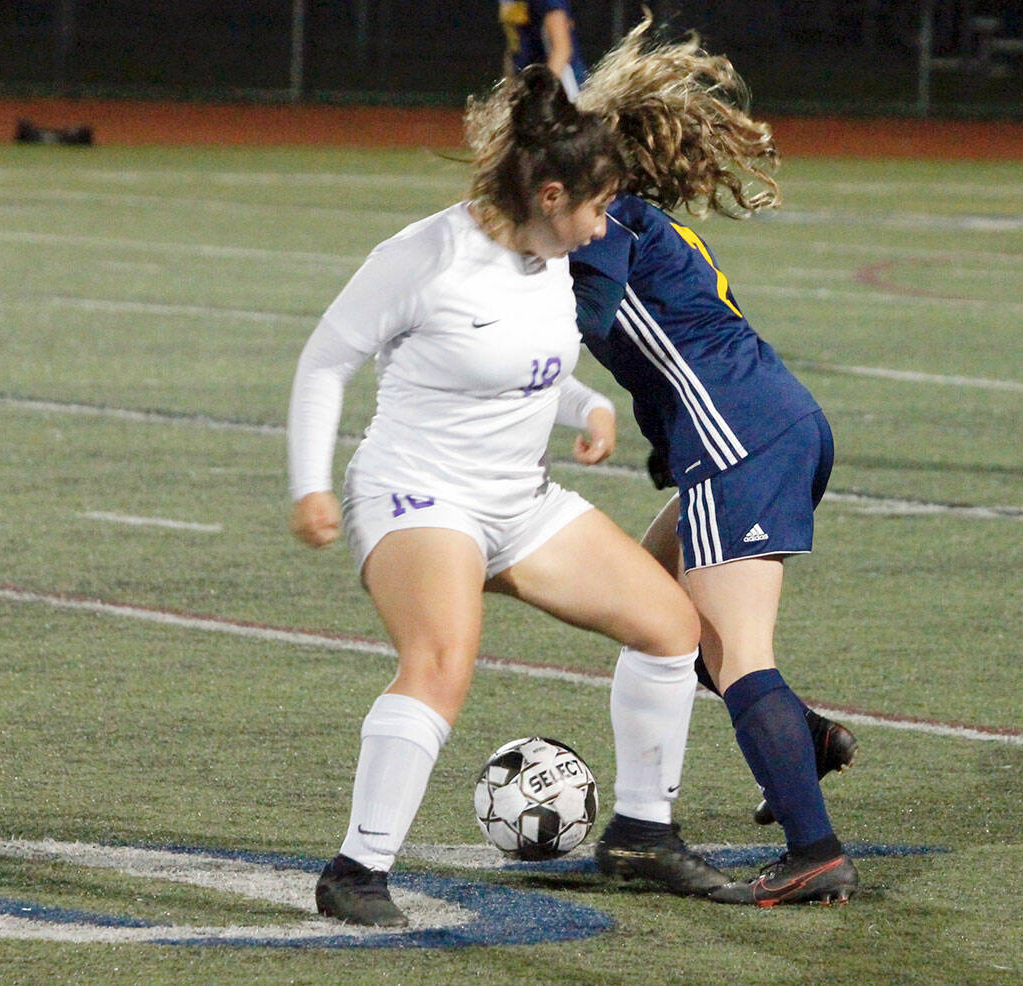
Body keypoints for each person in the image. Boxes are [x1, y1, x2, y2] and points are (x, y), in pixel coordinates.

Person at [287, 66, 727, 927]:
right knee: (442, 662)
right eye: (597, 207)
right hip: (421, 496)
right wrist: (310, 484)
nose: (602, 226)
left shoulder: (549, 255)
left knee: (670, 625)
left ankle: (644, 833)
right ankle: (356, 870)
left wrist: (587, 404)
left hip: (521, 503)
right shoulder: (426, 256)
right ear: (549, 195)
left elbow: (521, 366)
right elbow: (325, 362)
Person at [572, 20, 859, 905]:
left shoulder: (607, 216)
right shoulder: (644, 219)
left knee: (733, 651)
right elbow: (667, 346)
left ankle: (814, 850)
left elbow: (589, 317)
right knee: (653, 601)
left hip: (740, 439)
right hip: (771, 424)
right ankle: (803, 738)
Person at [498, 0, 588, 101]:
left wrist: (540, 95)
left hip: (562, 92)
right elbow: (515, 44)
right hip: (531, 87)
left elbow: (562, 49)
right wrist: (509, 88)